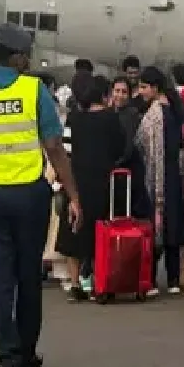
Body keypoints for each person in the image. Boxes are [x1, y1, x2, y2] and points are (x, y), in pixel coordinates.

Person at [0, 23, 81, 367]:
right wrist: (73, 194)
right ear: (19, 57)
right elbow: (54, 146)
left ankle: (9, 360)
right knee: (26, 278)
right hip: (27, 196)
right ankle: (23, 354)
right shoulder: (33, 89)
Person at [54, 75, 126, 303]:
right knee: (100, 234)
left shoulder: (74, 118)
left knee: (73, 232)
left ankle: (75, 284)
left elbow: (65, 150)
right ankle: (99, 282)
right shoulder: (111, 119)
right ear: (103, 95)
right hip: (102, 182)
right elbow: (120, 147)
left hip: (76, 182)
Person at [135, 66, 184, 297]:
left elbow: (147, 147)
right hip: (174, 174)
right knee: (172, 226)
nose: (141, 91)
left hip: (157, 174)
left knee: (154, 225)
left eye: (144, 87)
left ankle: (152, 280)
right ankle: (174, 278)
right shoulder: (174, 109)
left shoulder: (155, 114)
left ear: (154, 88)